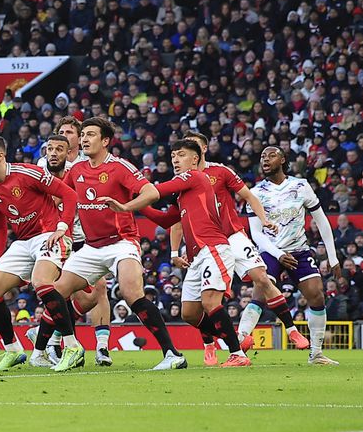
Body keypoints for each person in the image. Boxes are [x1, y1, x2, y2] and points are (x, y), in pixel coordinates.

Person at [45, 117, 186, 371]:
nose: (85, 139)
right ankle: (51, 347)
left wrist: (125, 207)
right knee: (54, 292)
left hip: (122, 242)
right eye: (83, 135)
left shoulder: (119, 167)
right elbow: (61, 197)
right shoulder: (76, 170)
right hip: (91, 246)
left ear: (106, 141)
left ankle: (173, 354)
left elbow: (151, 193)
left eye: (90, 135)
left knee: (132, 294)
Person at [100, 139, 250, 367]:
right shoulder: (184, 192)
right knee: (189, 313)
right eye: (173, 157)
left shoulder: (193, 176)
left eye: (181, 155)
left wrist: (127, 201)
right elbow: (166, 219)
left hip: (213, 248)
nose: (175, 160)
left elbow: (156, 191)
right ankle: (235, 340)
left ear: (195, 159)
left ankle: (237, 353)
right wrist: (136, 202)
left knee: (210, 302)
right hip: (197, 256)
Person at [179, 132, 304, 363]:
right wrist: (176, 251)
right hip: (205, 243)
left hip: (232, 236)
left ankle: (291, 330)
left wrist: (264, 219)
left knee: (262, 277)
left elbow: (247, 195)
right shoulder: (183, 180)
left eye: (192, 147)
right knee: (204, 298)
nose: (187, 153)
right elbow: (179, 218)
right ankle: (210, 344)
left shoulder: (221, 171)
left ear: (203, 149)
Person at [0, 135, 79, 372]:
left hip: (50, 233)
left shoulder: (28, 173)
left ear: (0, 155)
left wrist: (63, 227)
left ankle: (72, 346)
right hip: (23, 242)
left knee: (42, 282)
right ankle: (13, 350)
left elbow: (69, 194)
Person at [247, 146, 341, 365]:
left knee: (317, 294)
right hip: (271, 251)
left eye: (271, 155)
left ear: (283, 160)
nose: (265, 159)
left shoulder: (301, 186)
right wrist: (278, 254)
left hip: (298, 250)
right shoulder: (255, 192)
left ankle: (316, 353)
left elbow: (322, 220)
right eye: (262, 156)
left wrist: (333, 256)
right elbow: (255, 233)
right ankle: (237, 351)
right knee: (259, 294)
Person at [35, 117, 113, 366]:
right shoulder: (44, 163)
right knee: (72, 292)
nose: (64, 135)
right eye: (60, 132)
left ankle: (91, 344)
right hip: (57, 238)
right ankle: (55, 340)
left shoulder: (87, 164)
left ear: (78, 139)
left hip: (84, 238)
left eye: (69, 132)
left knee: (94, 293)